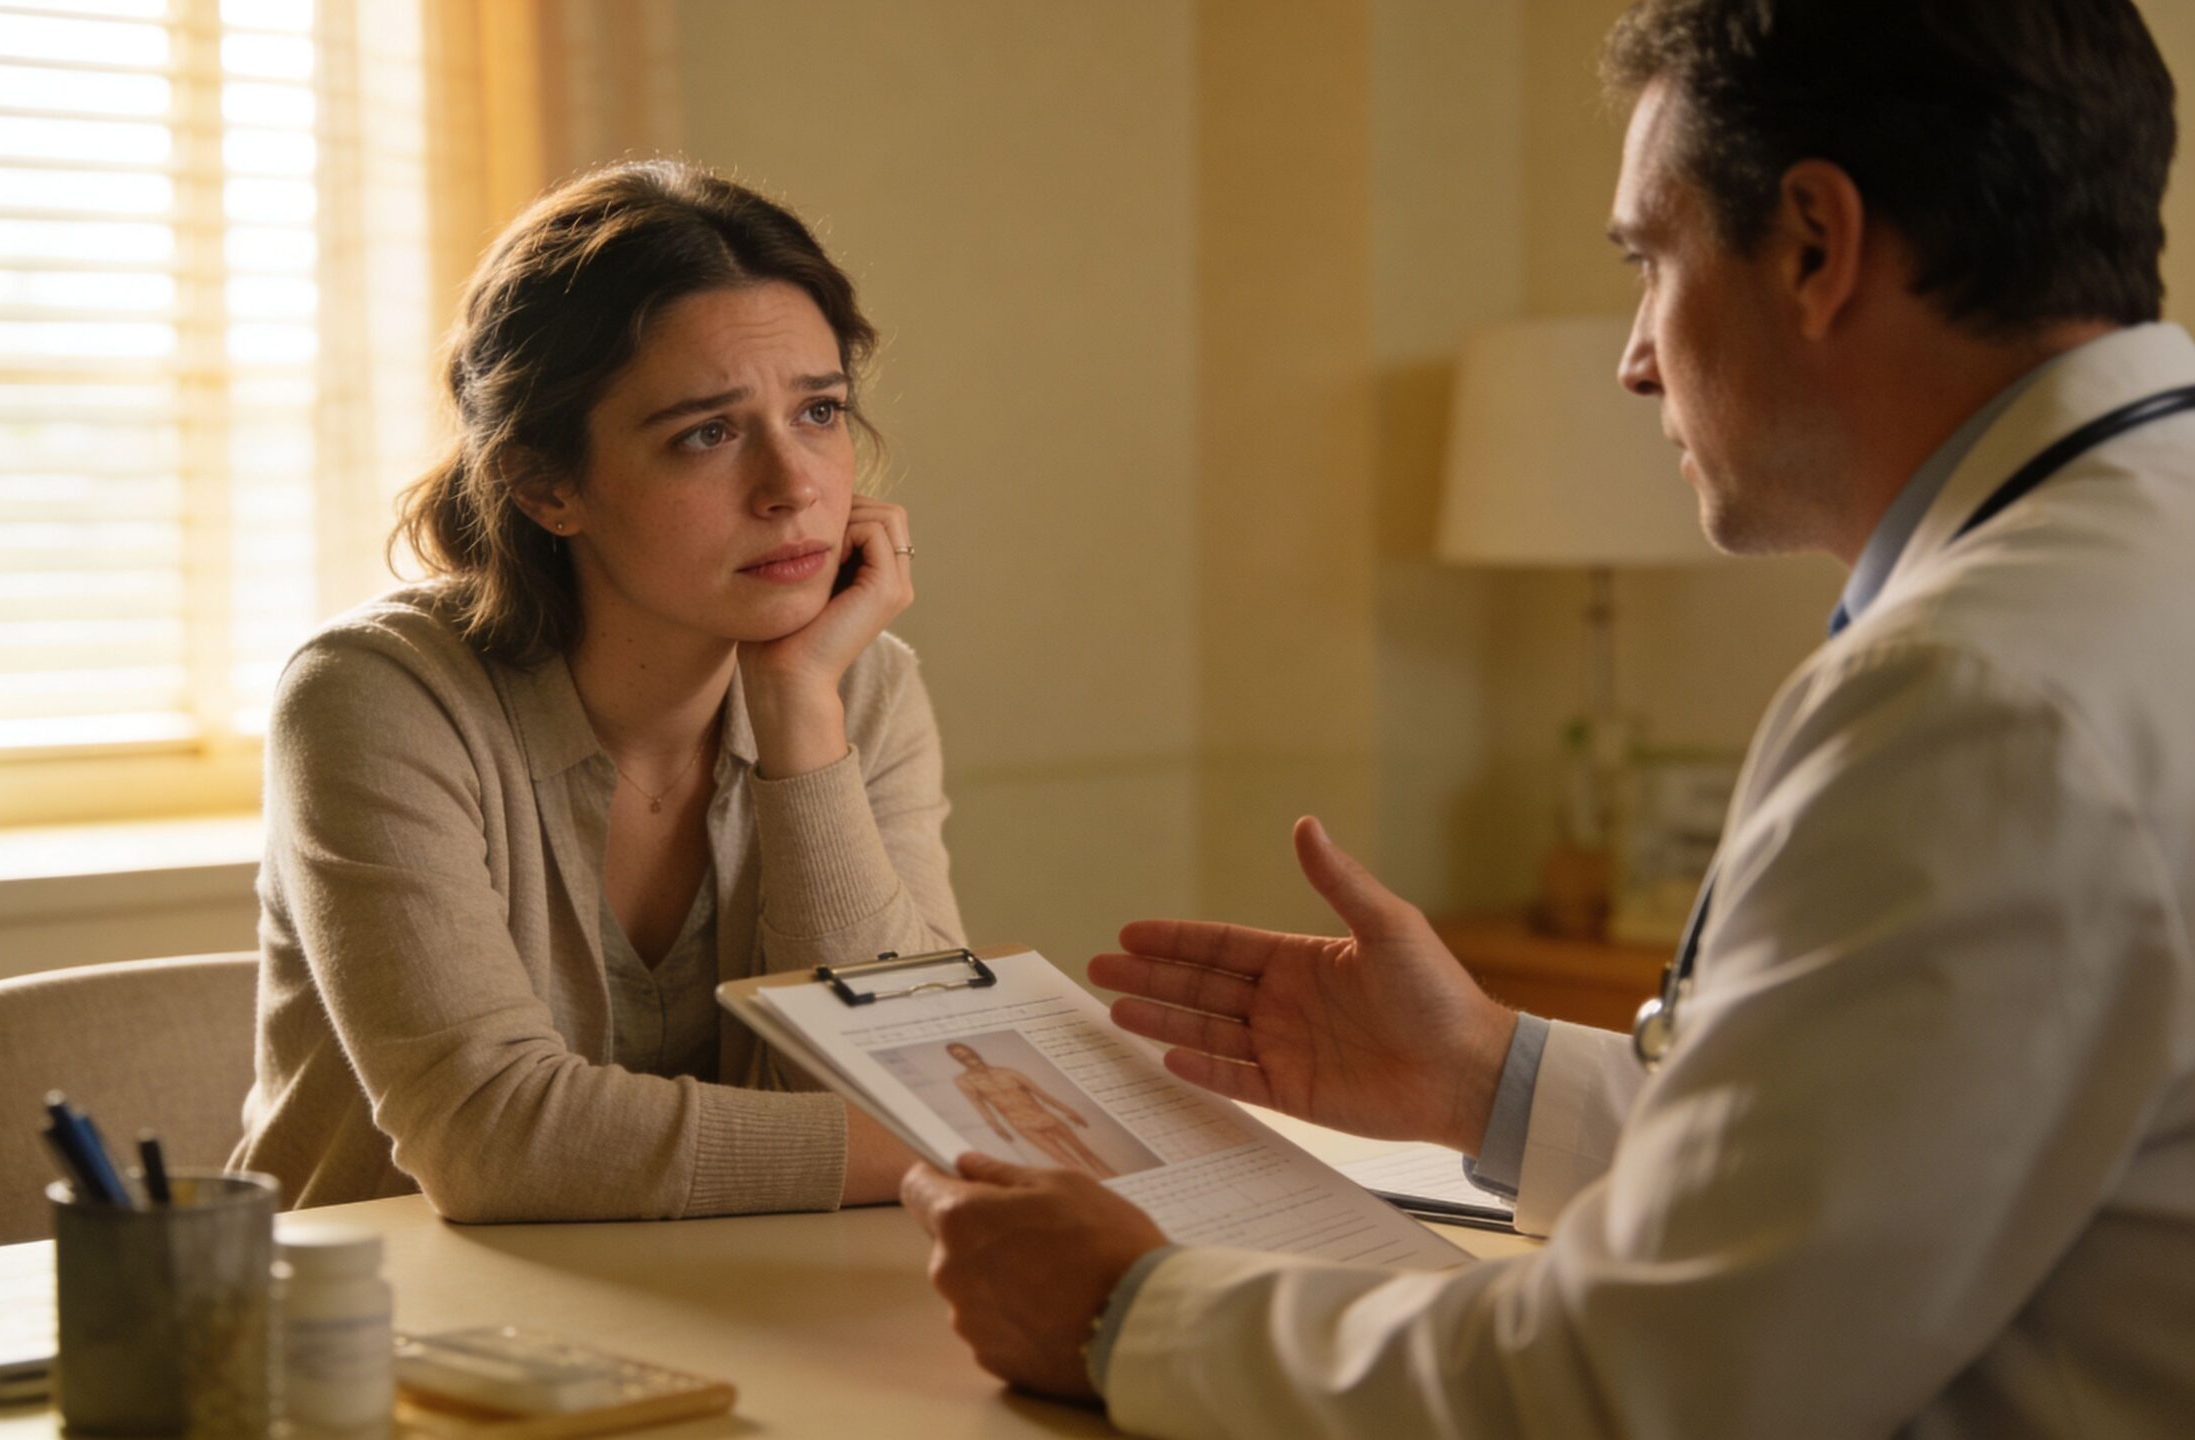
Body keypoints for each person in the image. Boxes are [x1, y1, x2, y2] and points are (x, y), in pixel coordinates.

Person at [902, 1, 2195, 1434]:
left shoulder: (1976, 695)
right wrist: (1485, 1079)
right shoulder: (2122, 580)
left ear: (1816, 246)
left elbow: (1671, 1385)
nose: (1638, 356)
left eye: (1651, 259)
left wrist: (1127, 1313)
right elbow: (1892, 1170)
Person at [231, 160, 961, 1221]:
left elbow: (904, 1062)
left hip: (754, 1309)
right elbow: (491, 1137)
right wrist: (934, 1145)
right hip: (386, 1344)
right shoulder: (373, 699)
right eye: (707, 433)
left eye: (818, 412)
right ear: (545, 484)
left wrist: (801, 709)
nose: (793, 485)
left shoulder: (862, 687)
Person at [946, 1042, 1116, 1179]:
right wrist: (997, 1127)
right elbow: (980, 1106)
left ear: (974, 1051)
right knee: (1065, 1161)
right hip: (1022, 1124)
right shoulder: (964, 1081)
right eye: (959, 1055)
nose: (966, 1056)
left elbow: (1041, 1094)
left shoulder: (1007, 1072)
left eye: (966, 1052)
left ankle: (1115, 1182)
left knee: (1085, 1153)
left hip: (1045, 1117)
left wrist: (1069, 1111)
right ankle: (1098, 1194)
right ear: (957, 1060)